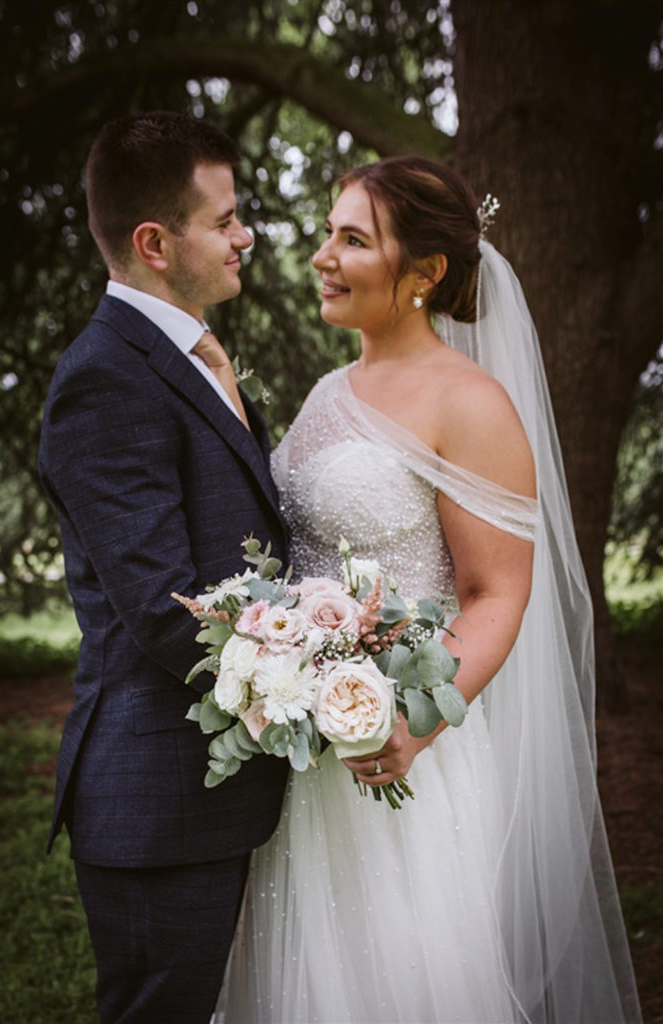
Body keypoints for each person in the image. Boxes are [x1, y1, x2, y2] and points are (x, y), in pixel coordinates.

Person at [217, 157, 641, 1022]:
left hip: (401, 749)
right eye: (328, 234)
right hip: (303, 752)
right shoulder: (330, 391)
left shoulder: (470, 403)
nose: (322, 257)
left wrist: (409, 726)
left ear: (425, 271)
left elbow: (497, 594)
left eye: (352, 240)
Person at [38, 111, 289, 1024]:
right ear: (154, 243)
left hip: (223, 789)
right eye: (224, 220)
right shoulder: (106, 376)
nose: (244, 235)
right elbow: (166, 608)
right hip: (161, 801)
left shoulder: (185, 358)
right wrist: (321, 678)